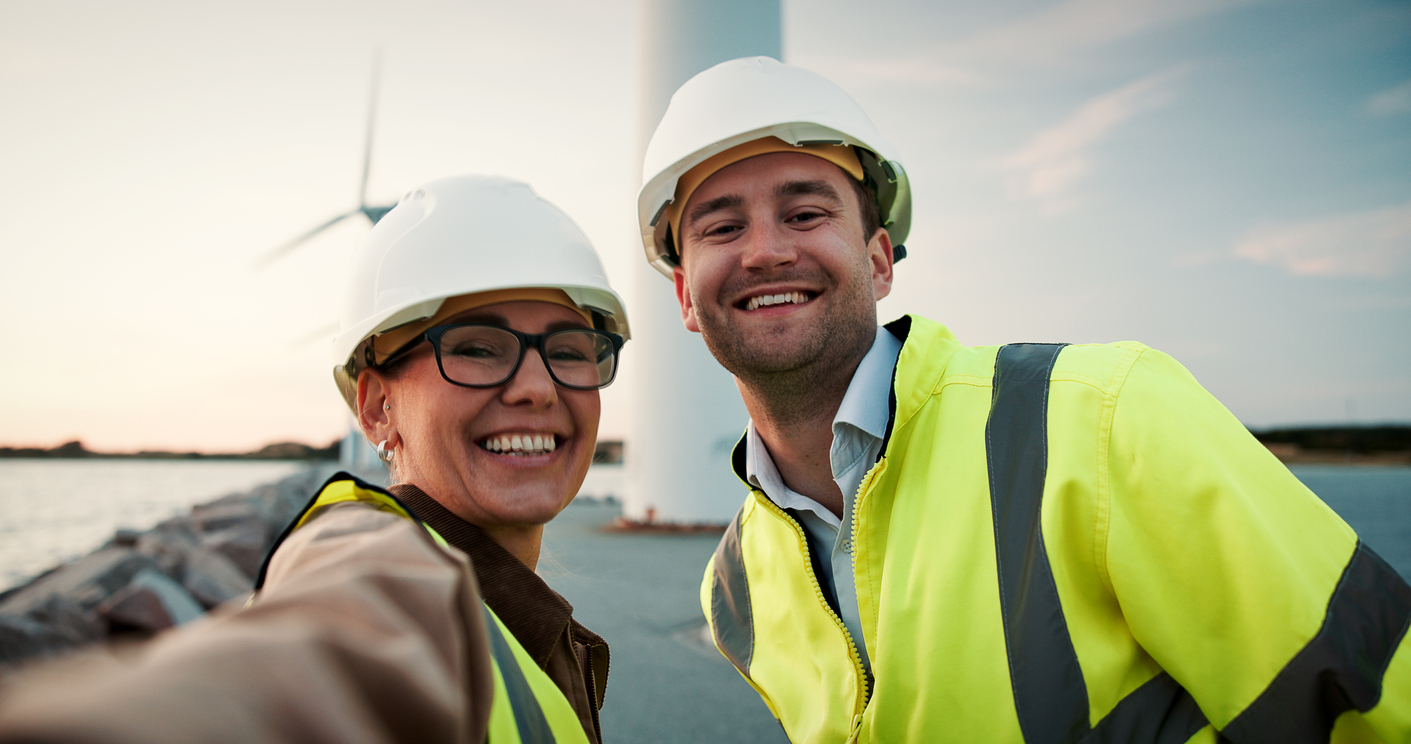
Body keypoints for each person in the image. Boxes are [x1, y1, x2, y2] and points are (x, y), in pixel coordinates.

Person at [636, 56, 1411, 743]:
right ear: (684, 297)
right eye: (721, 227)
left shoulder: (1102, 418)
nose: (765, 251)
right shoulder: (734, 587)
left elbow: (1373, 709)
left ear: (878, 262)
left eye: (805, 214)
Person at [0, 175, 628, 744]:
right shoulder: (372, 558)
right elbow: (320, 657)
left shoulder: (523, 617)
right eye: (477, 349)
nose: (537, 387)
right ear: (376, 408)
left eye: (570, 351)